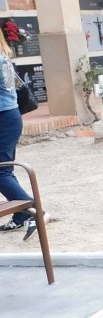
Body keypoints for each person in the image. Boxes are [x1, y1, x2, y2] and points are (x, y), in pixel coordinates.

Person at [0, 35, 37, 239]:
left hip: (3, 119)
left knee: (0, 173)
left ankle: (35, 211)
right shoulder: (3, 56)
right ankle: (21, 215)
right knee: (5, 169)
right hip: (9, 117)